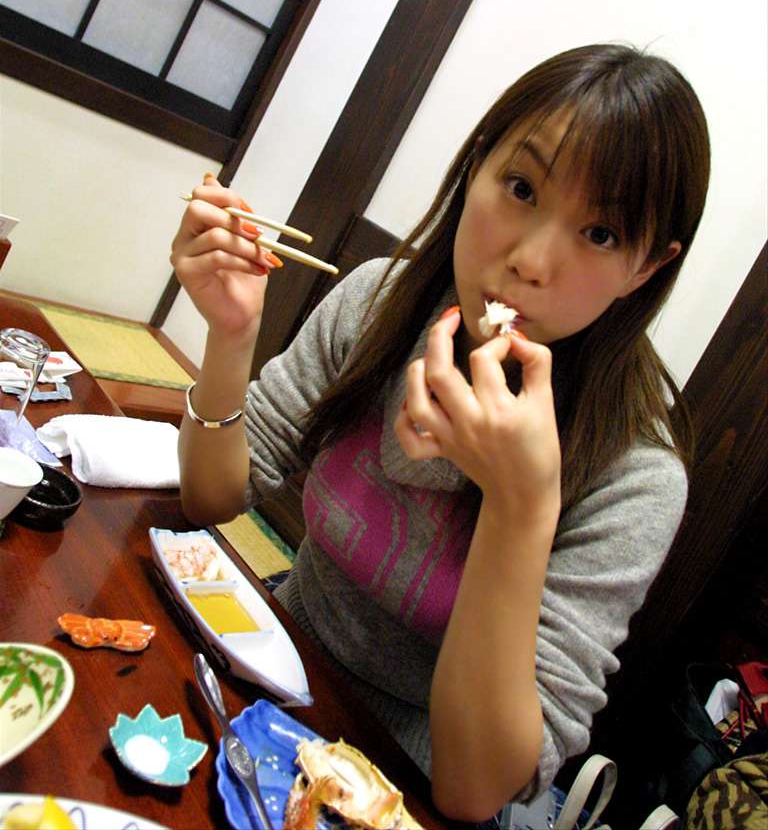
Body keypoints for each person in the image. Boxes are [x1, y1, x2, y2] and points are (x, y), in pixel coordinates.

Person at [170, 43, 710, 824]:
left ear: (646, 269)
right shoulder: (375, 304)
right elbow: (210, 498)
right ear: (475, 168)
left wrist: (521, 507)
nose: (531, 261)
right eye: (521, 188)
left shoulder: (636, 476)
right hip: (269, 669)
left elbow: (474, 787)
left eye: (600, 234)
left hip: (410, 789)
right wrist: (229, 337)